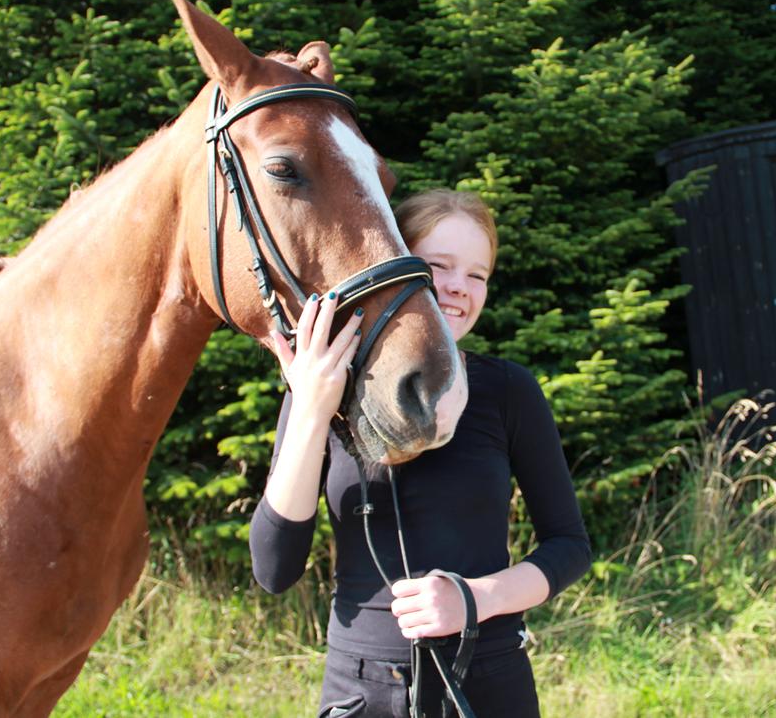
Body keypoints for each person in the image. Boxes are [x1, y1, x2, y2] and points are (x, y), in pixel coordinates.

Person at [249, 189, 591, 718]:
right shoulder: (319, 387)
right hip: (358, 693)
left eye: (477, 274)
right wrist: (313, 406)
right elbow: (274, 568)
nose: (459, 287)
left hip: (488, 682)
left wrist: (475, 599)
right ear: (397, 268)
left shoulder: (508, 390)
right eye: (440, 265)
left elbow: (569, 546)